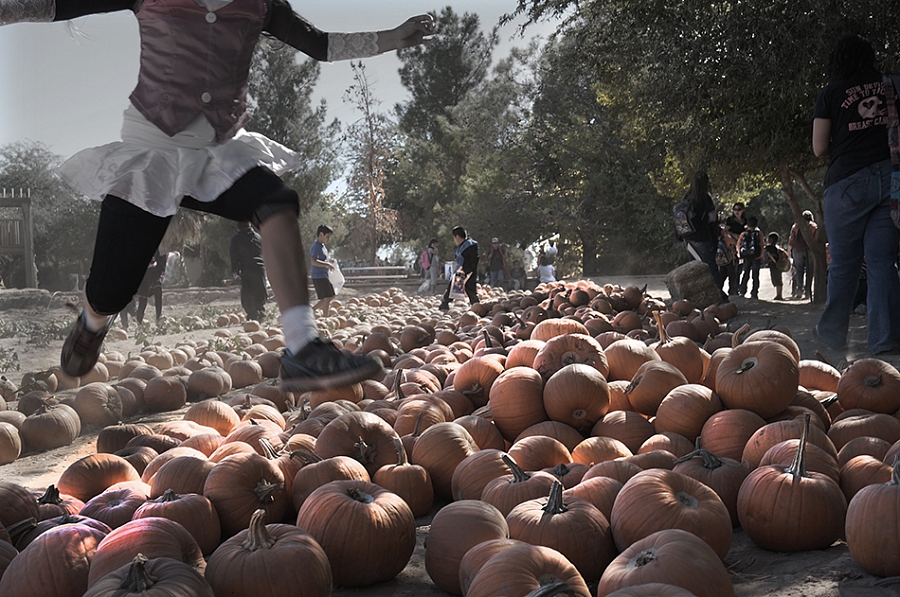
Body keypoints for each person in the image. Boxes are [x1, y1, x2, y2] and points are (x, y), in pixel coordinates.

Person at [17, 0, 436, 390]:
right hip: (153, 152)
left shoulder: (259, 4)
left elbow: (321, 44)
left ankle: (303, 348)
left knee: (276, 201)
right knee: (112, 290)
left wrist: (392, 38)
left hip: (219, 154)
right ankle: (91, 323)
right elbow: (56, 4)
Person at [812, 34, 900, 354]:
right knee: (882, 262)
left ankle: (832, 336)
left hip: (848, 182)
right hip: (891, 180)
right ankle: (885, 340)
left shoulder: (832, 93)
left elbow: (820, 148)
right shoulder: (891, 84)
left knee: (844, 264)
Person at [676, 172, 722, 291]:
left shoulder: (687, 197)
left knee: (695, 269)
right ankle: (719, 297)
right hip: (702, 237)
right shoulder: (704, 197)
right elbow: (711, 218)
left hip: (688, 238)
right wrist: (716, 211)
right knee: (710, 267)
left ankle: (699, 296)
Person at [119, 249, 167, 329]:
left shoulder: (158, 250)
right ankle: (135, 325)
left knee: (157, 290)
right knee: (141, 303)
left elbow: (161, 262)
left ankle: (158, 316)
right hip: (142, 278)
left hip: (153, 275)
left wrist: (160, 273)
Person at [230, 221, 267, 321]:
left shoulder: (236, 239)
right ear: (250, 225)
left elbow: (234, 256)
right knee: (260, 291)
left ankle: (252, 315)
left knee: (247, 293)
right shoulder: (259, 237)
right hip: (260, 268)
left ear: (238, 228)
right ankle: (261, 312)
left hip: (247, 269)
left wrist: (235, 270)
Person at [439, 226, 479, 310]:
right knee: (455, 288)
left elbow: (473, 259)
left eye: (454, 237)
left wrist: (466, 270)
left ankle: (477, 307)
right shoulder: (461, 246)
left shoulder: (470, 245)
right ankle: (476, 306)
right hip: (462, 271)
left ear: (457, 236)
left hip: (465, 271)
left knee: (464, 289)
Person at [788, 210, 818, 300]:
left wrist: (789, 251)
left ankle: (799, 290)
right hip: (809, 251)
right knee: (810, 271)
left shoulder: (796, 226)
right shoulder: (813, 227)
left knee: (799, 270)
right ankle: (808, 292)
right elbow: (816, 239)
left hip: (798, 250)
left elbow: (791, 239)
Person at [310, 225, 336, 318]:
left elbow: (323, 259)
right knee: (327, 297)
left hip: (324, 275)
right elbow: (314, 261)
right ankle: (325, 317)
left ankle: (312, 310)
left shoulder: (323, 246)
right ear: (321, 234)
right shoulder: (316, 246)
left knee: (330, 296)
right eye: (327, 236)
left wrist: (329, 260)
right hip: (319, 276)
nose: (329, 239)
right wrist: (326, 264)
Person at [723, 202, 747, 295]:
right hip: (732, 247)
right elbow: (726, 231)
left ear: (743, 210)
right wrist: (735, 238)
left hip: (742, 248)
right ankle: (732, 289)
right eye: (735, 209)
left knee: (740, 269)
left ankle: (737, 288)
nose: (736, 211)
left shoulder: (745, 221)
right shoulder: (730, 220)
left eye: (739, 209)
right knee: (732, 268)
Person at [737, 216, 763, 299]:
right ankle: (754, 293)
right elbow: (762, 244)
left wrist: (740, 254)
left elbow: (739, 244)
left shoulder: (743, 233)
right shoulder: (759, 233)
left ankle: (742, 291)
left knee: (745, 274)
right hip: (756, 257)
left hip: (746, 257)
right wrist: (761, 255)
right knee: (755, 275)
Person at [764, 232, 786, 301]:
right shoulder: (778, 247)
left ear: (771, 239)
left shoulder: (769, 247)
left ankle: (779, 295)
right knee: (778, 279)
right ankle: (779, 294)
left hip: (774, 265)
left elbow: (764, 250)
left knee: (776, 280)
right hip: (778, 265)